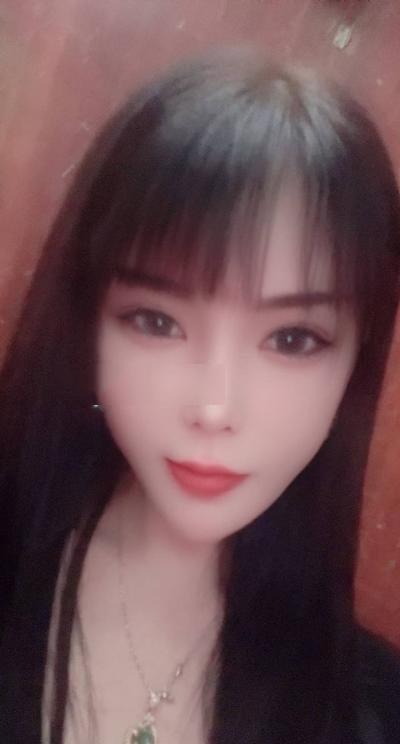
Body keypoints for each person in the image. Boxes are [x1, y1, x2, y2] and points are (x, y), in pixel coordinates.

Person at [0, 46, 399, 744]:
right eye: (156, 322)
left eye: (293, 339)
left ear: (355, 362)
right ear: (88, 324)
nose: (215, 410)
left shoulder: (372, 706)